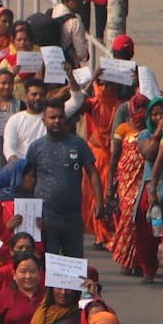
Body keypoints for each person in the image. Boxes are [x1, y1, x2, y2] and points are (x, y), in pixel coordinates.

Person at [23, 101, 109, 260]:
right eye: (52, 117)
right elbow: (27, 180)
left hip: (73, 217)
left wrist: (99, 201)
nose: (56, 121)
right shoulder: (35, 148)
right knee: (48, 265)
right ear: (44, 121)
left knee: (74, 266)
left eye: (60, 117)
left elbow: (92, 172)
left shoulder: (78, 144)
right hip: (46, 218)